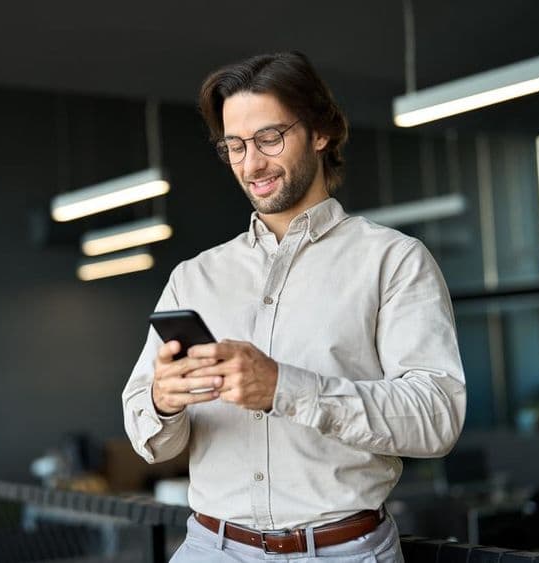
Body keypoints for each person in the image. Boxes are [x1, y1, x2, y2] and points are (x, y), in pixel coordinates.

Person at [121, 51, 466, 562]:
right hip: (210, 549)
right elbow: (147, 432)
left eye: (269, 139)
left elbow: (437, 416)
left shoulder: (393, 261)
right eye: (234, 146)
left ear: (320, 132)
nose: (251, 164)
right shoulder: (194, 277)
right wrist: (163, 403)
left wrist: (286, 387)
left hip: (341, 552)